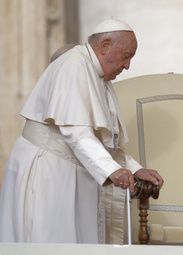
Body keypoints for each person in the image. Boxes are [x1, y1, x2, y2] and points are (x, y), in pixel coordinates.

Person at [0, 18, 163, 244]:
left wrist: (135, 169)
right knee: (51, 242)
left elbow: (105, 142)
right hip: (50, 171)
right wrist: (111, 171)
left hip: (73, 173)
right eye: (126, 56)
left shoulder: (98, 76)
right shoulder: (74, 65)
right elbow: (77, 134)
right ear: (105, 45)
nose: (127, 66)